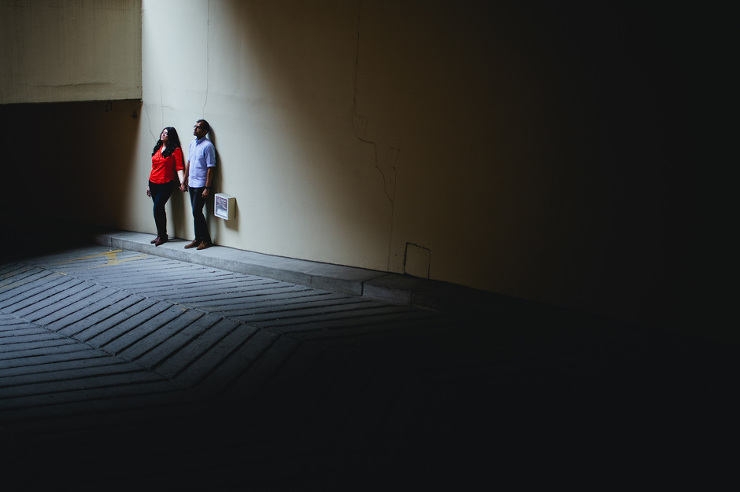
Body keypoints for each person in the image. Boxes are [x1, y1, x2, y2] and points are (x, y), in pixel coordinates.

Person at [147, 127, 185, 246]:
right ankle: (160, 235)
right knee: (159, 209)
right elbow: (154, 167)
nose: (163, 135)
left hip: (166, 183)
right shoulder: (158, 148)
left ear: (171, 136)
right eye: (163, 133)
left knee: (157, 208)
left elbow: (179, 167)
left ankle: (163, 236)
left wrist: (182, 182)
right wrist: (148, 185)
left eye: (166, 134)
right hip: (153, 182)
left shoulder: (175, 150)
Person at [181, 119, 216, 250]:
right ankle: (197, 238)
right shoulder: (192, 144)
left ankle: (206, 240)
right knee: (195, 212)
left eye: (199, 127)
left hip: (201, 184)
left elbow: (211, 168)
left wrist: (207, 188)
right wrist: (184, 181)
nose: (195, 129)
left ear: (205, 131)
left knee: (197, 211)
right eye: (195, 127)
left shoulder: (208, 146)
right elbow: (189, 163)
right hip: (192, 183)